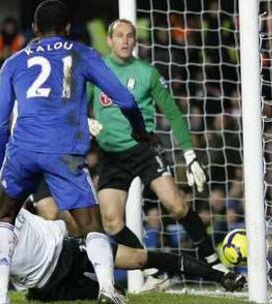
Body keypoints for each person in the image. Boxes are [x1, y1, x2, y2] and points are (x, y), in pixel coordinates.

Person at [0, 1, 149, 303]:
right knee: (91, 225)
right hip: (63, 153)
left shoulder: (13, 62)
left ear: (35, 29)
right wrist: (138, 129)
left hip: (22, 151)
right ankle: (106, 289)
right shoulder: (83, 54)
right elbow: (125, 100)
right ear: (68, 27)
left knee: (5, 217)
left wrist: (0, 164)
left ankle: (0, 298)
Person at [0, 171, 246, 302]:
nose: (5, 195)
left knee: (136, 257)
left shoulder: (4, 192)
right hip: (49, 285)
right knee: (110, 296)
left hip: (68, 247)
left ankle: (219, 276)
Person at [87, 19, 225, 289]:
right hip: (110, 155)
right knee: (111, 222)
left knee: (177, 206)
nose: (126, 41)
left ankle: (212, 258)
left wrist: (189, 154)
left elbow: (172, 112)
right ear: (110, 41)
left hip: (145, 149)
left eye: (130, 36)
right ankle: (154, 271)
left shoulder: (147, 73)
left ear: (135, 40)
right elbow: (77, 103)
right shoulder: (96, 71)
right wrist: (83, 120)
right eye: (120, 36)